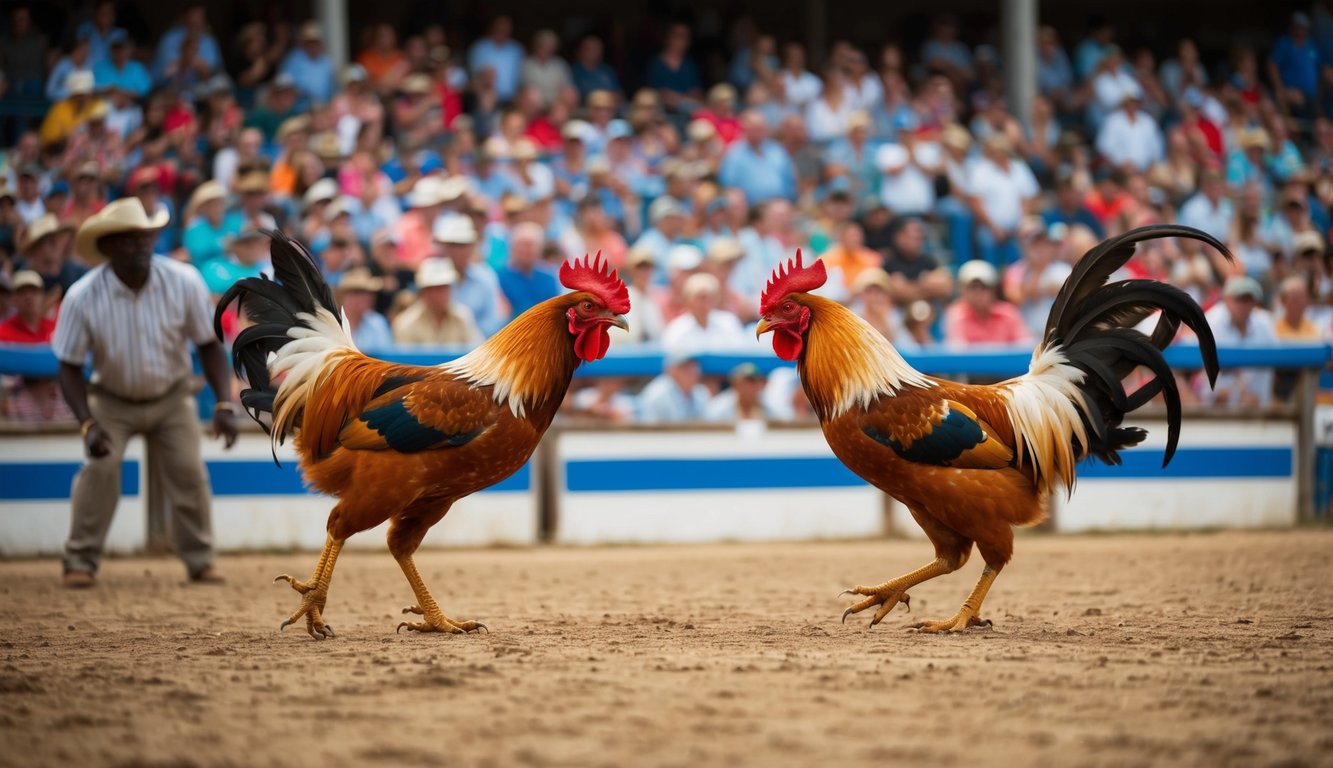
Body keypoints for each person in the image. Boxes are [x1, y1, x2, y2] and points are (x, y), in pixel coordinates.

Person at [52, 198, 238, 588]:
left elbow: (208, 345)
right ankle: (80, 560)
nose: (140, 244)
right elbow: (68, 365)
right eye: (129, 238)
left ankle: (201, 560)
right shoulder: (82, 296)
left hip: (172, 394)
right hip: (110, 398)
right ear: (108, 247)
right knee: (99, 470)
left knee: (188, 472)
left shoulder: (184, 281)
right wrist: (87, 423)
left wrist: (223, 401)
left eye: (146, 236)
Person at [0, 270, 75, 422]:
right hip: (17, 399)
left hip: (55, 399)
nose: (28, 297)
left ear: (42, 296)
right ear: (13, 299)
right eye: (22, 293)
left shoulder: (57, 328)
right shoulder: (2, 331)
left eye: (34, 292)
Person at [1205, 276, 1278, 407]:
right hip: (1218, 410)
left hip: (1259, 408)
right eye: (1239, 299)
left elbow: (1278, 363)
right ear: (1227, 299)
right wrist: (1239, 394)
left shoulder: (1264, 323)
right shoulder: (1212, 321)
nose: (1244, 305)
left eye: (1248, 300)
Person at [968, 134, 1040, 267]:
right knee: (987, 241)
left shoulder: (1019, 168)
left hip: (1017, 227)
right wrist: (994, 227)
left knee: (1029, 239)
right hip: (990, 228)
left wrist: (1022, 222)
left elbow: (1029, 197)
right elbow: (976, 203)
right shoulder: (981, 171)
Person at [434, 213, 508, 337]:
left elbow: (493, 320)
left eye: (462, 245)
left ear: (472, 247)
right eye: (452, 245)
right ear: (444, 247)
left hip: (479, 349)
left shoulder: (486, 277)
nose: (457, 251)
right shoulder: (431, 278)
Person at [391, 257, 482, 346]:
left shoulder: (463, 317)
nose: (441, 294)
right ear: (423, 292)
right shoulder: (405, 324)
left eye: (444, 288)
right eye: (434, 289)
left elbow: (477, 354)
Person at [943, 259, 1032, 347]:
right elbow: (959, 353)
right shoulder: (956, 315)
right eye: (973, 287)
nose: (978, 292)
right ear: (963, 290)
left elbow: (1025, 346)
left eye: (984, 287)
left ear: (993, 290)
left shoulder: (1008, 313)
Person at [717, 111, 796, 203]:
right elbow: (727, 185)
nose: (760, 131)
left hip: (780, 204)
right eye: (756, 128)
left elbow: (790, 180)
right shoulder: (734, 153)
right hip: (751, 210)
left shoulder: (777, 150)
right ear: (745, 129)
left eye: (762, 128)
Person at [660, 272, 748, 353]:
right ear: (687, 300)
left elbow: (738, 354)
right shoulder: (676, 330)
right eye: (700, 298)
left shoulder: (728, 322)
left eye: (710, 298)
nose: (705, 303)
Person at [497, 222, 560, 317]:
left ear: (540, 249)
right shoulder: (499, 276)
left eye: (531, 245)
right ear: (512, 248)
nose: (526, 250)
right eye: (522, 245)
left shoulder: (548, 278)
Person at [279, 21, 336, 109]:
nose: (313, 45)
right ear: (303, 43)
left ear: (321, 43)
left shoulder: (326, 61)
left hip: (322, 110)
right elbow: (283, 85)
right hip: (298, 110)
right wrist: (300, 91)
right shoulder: (293, 59)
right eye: (309, 42)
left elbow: (332, 89)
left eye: (315, 42)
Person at [638, 353, 709, 423]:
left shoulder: (701, 393)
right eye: (685, 367)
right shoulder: (656, 395)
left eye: (694, 366)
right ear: (671, 370)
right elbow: (650, 430)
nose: (692, 371)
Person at [468, 16, 524, 101]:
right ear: (492, 28)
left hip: (510, 99)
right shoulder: (480, 48)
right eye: (499, 28)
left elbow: (521, 77)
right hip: (484, 98)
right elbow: (473, 75)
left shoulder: (516, 49)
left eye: (505, 29)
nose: (501, 31)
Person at [336, 267, 394, 350]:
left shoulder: (377, 323)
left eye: (368, 293)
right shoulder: (332, 324)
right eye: (357, 292)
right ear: (343, 297)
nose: (365, 297)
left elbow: (386, 358)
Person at [705, 363, 775, 422]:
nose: (751, 388)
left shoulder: (768, 407)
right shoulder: (719, 407)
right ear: (735, 384)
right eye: (746, 382)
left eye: (755, 383)